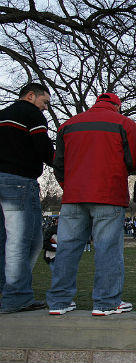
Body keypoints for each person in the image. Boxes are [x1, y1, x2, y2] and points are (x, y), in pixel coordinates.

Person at [47, 93, 136, 316]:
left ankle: (59, 301)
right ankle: (106, 302)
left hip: (74, 195)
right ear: (117, 107)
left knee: (66, 249)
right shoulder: (125, 124)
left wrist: (68, 187)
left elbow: (58, 163)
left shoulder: (68, 125)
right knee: (107, 249)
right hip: (108, 194)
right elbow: (135, 159)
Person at [0, 83, 54, 314]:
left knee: (4, 241)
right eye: (45, 103)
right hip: (19, 181)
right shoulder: (31, 114)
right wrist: (64, 166)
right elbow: (43, 148)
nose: (45, 109)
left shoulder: (3, 115)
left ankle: (7, 291)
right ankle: (16, 296)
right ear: (31, 96)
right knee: (26, 241)